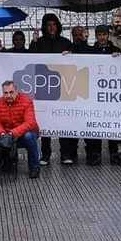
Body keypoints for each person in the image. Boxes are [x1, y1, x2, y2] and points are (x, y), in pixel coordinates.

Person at [29, 13, 73, 165]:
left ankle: (65, 153)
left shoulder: (66, 43)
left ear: (58, 26)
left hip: (63, 87)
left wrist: (70, 55)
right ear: (44, 27)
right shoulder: (38, 42)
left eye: (54, 24)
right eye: (48, 25)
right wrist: (34, 42)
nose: (51, 27)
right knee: (45, 121)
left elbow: (75, 63)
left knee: (63, 120)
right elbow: (31, 59)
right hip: (44, 87)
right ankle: (45, 154)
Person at [84, 25, 121, 166]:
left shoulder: (116, 50)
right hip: (95, 94)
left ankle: (114, 154)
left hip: (111, 94)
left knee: (112, 125)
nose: (102, 37)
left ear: (108, 35)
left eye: (104, 34)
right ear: (96, 36)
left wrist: (119, 58)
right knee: (96, 125)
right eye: (99, 34)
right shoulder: (90, 51)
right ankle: (95, 154)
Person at [0, 80, 41, 178]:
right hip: (7, 134)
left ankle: (34, 167)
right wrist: (2, 134)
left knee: (29, 136)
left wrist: (12, 133)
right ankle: (6, 162)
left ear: (16, 91)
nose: (8, 95)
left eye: (11, 92)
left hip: (23, 134)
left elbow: (30, 123)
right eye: (6, 93)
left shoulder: (27, 101)